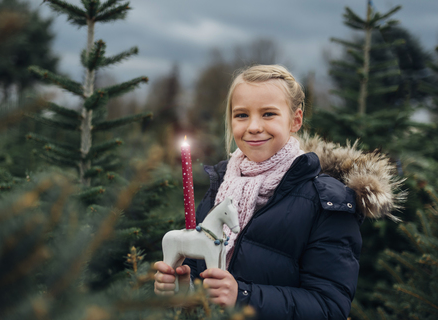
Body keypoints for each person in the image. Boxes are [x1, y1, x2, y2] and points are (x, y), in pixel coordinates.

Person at [154, 65, 401, 319]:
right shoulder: (221, 187)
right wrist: (185, 290)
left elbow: (330, 307)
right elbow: (201, 278)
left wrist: (241, 296)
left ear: (296, 120)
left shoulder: (327, 203)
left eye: (268, 114)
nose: (253, 126)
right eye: (241, 115)